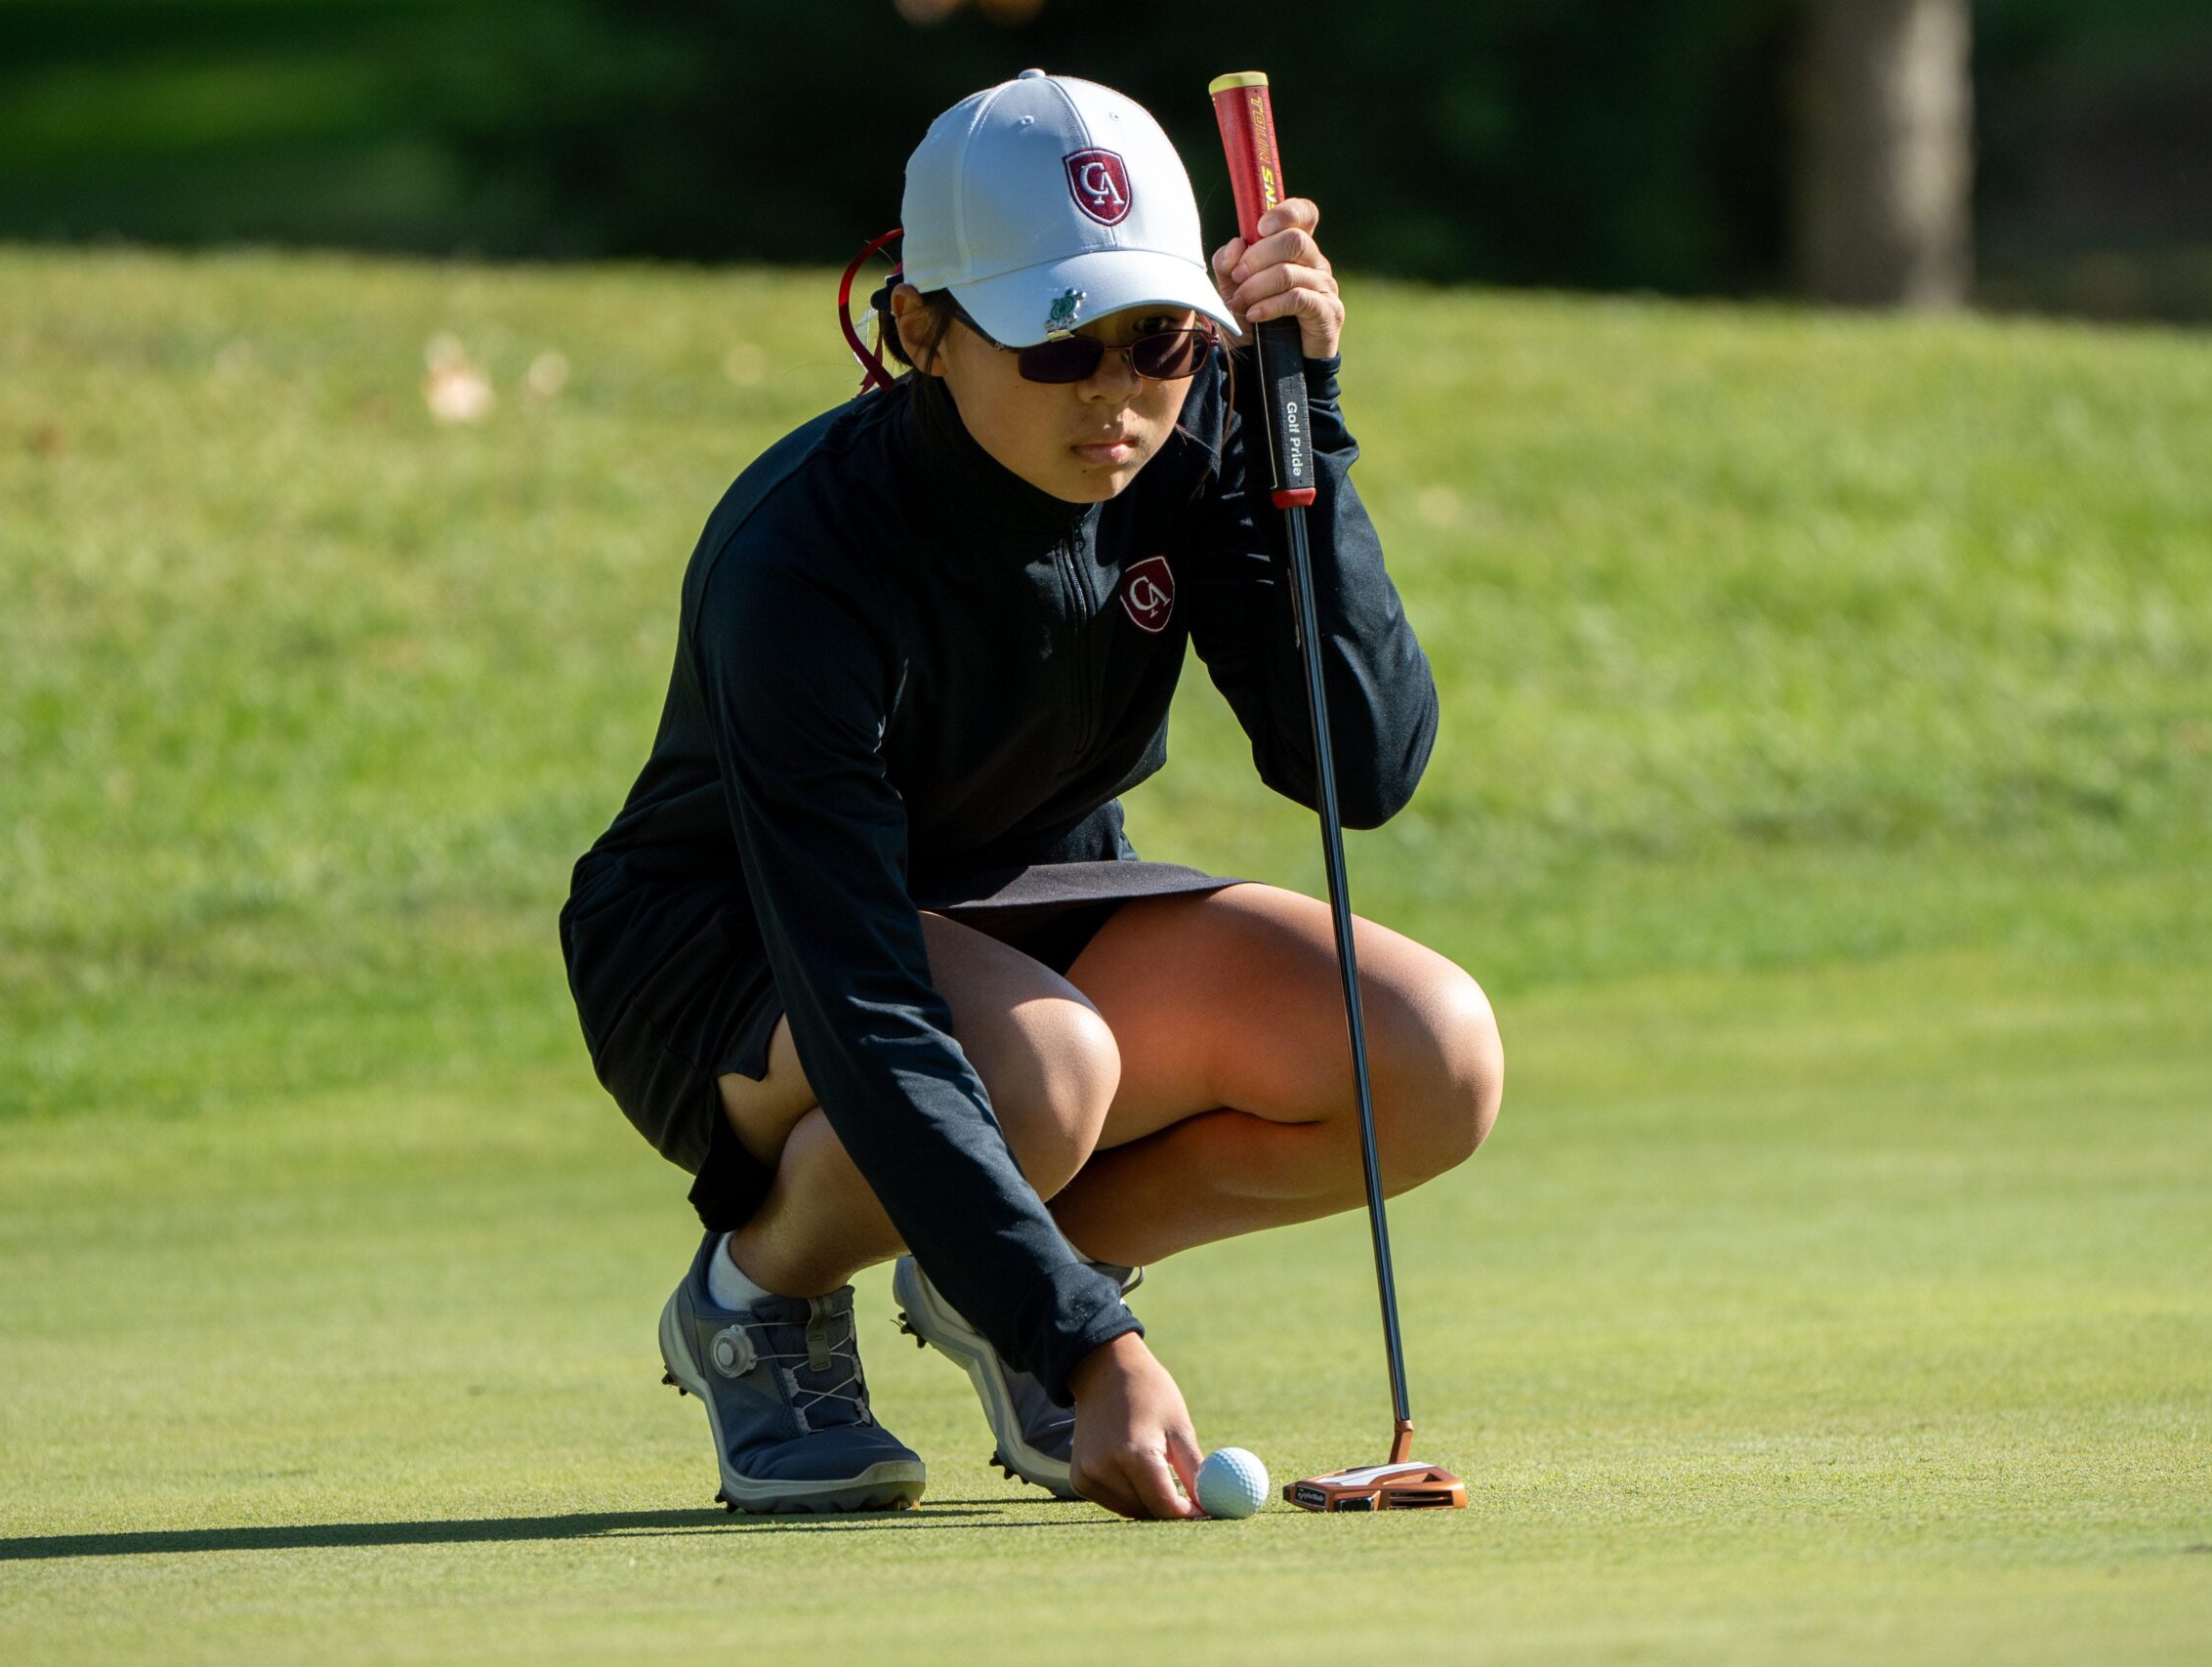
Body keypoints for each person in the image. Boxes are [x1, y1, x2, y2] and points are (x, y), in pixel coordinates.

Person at [557, 68, 1504, 1521]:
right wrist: (1091, 1340)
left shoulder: (1201, 443)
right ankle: (755, 1300)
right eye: (1060, 347)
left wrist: (1300, 407)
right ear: (921, 330)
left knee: (1431, 1060)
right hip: (733, 940)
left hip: (1040, 905)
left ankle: (988, 1266)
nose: (1120, 394)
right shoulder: (801, 555)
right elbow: (867, 991)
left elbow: (1356, 766)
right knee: (1041, 1076)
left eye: (1162, 339)